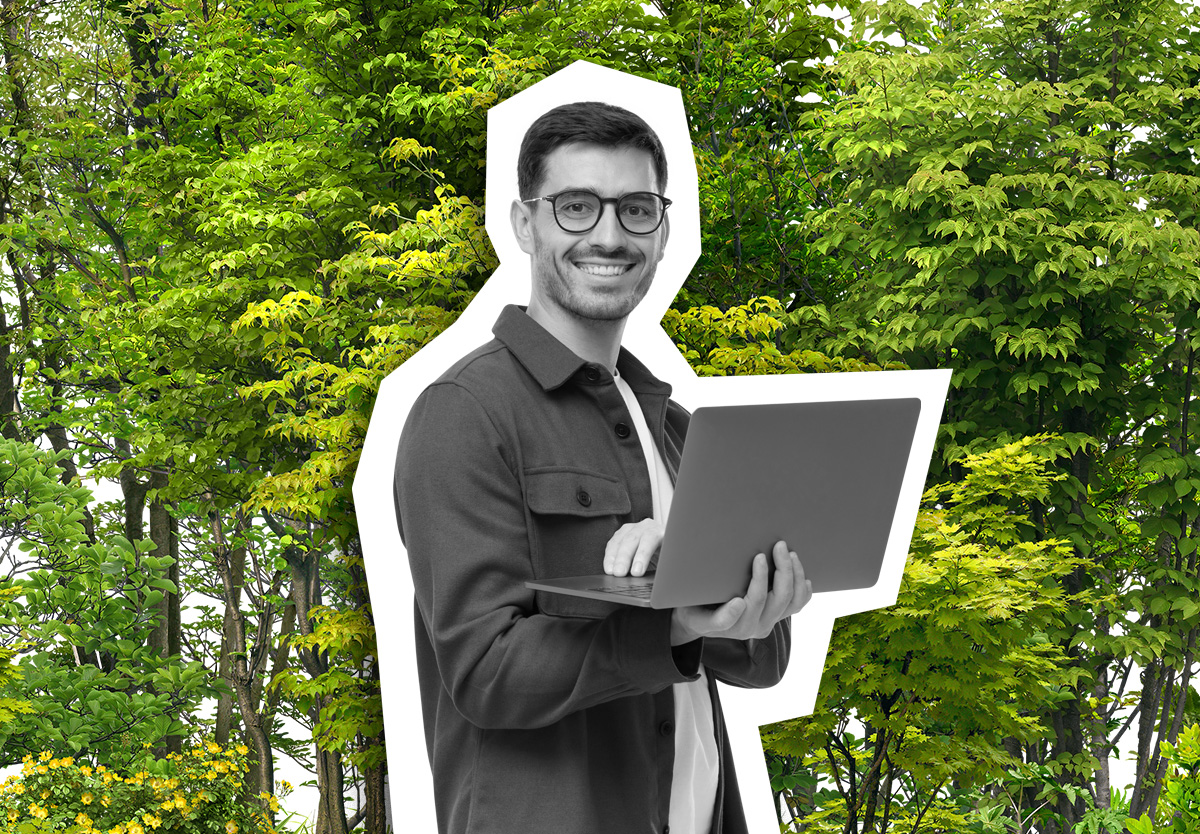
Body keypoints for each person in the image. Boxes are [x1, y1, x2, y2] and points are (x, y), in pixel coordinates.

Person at [393, 100, 812, 834]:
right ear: (526, 225)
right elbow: (484, 673)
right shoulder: (465, 412)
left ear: (663, 229)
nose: (610, 236)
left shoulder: (677, 429)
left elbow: (758, 662)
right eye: (577, 208)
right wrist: (670, 622)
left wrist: (749, 603)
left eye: (636, 209)